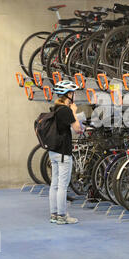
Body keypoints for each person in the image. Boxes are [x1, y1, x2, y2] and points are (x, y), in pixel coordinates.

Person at [49, 80, 81, 225]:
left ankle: (54, 214)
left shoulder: (55, 108)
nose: (74, 95)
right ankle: (62, 216)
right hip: (63, 153)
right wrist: (74, 111)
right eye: (73, 93)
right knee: (62, 185)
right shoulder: (66, 110)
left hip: (53, 151)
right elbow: (77, 129)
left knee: (54, 184)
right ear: (68, 94)